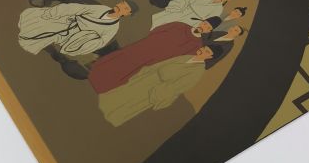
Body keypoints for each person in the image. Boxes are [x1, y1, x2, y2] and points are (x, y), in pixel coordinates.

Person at [98, 43, 229, 127]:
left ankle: (111, 116)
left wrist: (159, 88)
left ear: (210, 57)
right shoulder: (185, 57)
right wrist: (146, 71)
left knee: (130, 103)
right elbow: (163, 64)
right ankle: (105, 106)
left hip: (156, 88)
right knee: (123, 93)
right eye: (204, 48)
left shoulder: (198, 71)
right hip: (149, 77)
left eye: (207, 52)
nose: (202, 51)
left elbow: (179, 87)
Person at [88, 17, 221, 94]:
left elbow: (182, 58)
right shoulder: (180, 26)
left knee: (132, 71)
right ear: (202, 21)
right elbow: (158, 30)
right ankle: (94, 70)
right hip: (145, 45)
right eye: (205, 23)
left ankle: (102, 85)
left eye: (208, 28)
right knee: (122, 57)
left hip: (155, 60)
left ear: (209, 31)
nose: (204, 27)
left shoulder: (196, 45)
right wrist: (153, 41)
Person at [17, 0, 134, 58]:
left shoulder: (113, 28)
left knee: (44, 38)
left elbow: (99, 43)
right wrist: (55, 12)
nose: (121, 7)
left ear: (127, 14)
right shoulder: (102, 9)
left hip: (74, 36)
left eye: (125, 8)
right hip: (68, 21)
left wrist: (81, 41)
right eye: (122, 3)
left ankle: (27, 41)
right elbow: (78, 8)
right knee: (37, 23)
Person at [149, 0, 239, 30]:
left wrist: (192, 26)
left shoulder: (218, 10)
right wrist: (175, 8)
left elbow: (205, 22)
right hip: (179, 11)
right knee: (155, 22)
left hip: (189, 23)